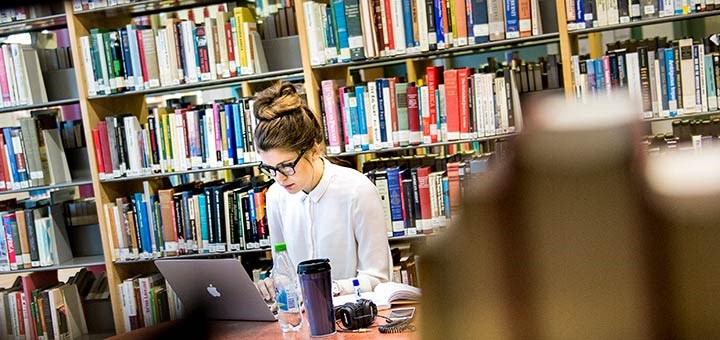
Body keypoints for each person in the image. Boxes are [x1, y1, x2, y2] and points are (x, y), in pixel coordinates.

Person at [252, 82, 392, 302]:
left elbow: (377, 278)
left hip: (354, 317)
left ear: (314, 150)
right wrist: (273, 282)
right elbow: (284, 268)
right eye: (269, 169)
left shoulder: (358, 190)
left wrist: (330, 288)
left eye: (287, 166)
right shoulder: (275, 196)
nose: (279, 178)